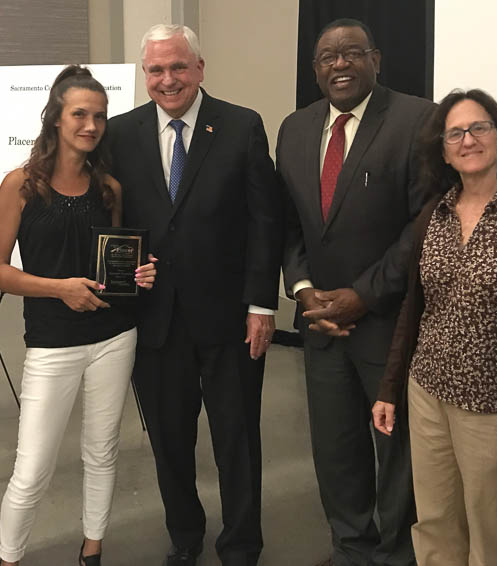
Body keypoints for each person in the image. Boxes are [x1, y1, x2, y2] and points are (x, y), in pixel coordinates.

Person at [107, 24, 282, 566]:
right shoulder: (120, 133)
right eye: (156, 70)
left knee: (237, 441)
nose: (168, 79)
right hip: (155, 321)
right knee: (169, 444)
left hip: (230, 319)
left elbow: (264, 220)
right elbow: (114, 223)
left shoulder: (241, 125)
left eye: (178, 66)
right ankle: (185, 536)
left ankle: (241, 544)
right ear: (144, 76)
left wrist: (262, 304)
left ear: (200, 68)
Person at [372, 89, 497, 566]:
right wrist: (390, 388)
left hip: (495, 409)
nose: (468, 139)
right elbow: (415, 312)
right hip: (428, 394)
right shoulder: (431, 218)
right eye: (454, 132)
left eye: (479, 127)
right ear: (443, 150)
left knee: (491, 533)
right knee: (434, 522)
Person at [277, 18, 435, 566]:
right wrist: (302, 292)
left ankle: (397, 555)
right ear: (315, 69)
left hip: (388, 321)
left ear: (376, 59)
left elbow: (424, 224)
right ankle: (351, 548)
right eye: (326, 57)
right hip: (320, 323)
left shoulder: (417, 120)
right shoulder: (295, 129)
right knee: (335, 449)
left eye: (351, 53)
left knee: (398, 452)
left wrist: (362, 296)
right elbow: (290, 225)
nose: (338, 63)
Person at [0, 65, 157, 566]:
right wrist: (58, 289)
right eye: (79, 114)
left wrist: (139, 275)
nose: (91, 125)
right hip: (51, 341)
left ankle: (92, 549)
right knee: (33, 466)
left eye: (100, 116)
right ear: (55, 118)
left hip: (114, 334)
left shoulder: (108, 187)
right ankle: (8, 556)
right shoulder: (20, 185)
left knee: (102, 450)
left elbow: (111, 264)